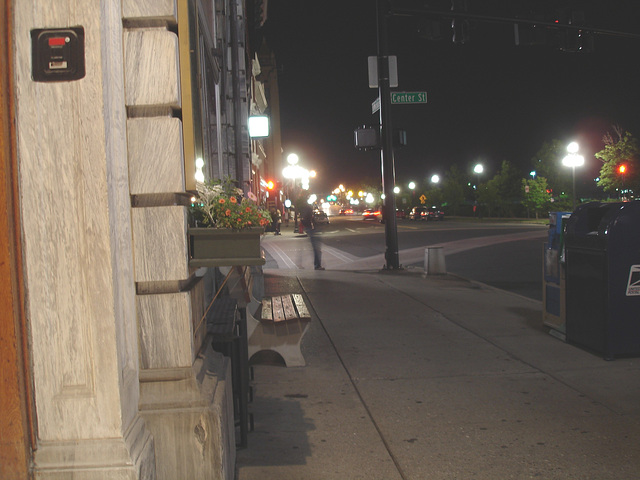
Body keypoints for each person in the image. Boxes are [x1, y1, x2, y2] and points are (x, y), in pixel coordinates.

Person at [300, 204, 324, 270]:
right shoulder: (309, 218)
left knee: (316, 249)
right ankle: (317, 265)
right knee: (317, 249)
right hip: (312, 231)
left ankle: (317, 264)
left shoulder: (309, 217)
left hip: (312, 231)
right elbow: (308, 222)